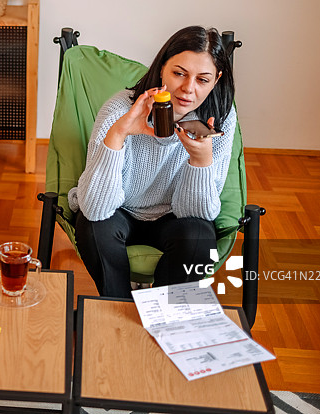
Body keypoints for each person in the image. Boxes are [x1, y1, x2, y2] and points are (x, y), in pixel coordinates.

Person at [68, 26, 236, 298]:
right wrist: (118, 135)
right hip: (119, 210)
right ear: (161, 68)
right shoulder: (120, 110)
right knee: (93, 228)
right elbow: (95, 207)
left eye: (202, 80)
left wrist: (200, 160)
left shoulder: (220, 121)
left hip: (174, 216)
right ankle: (117, 307)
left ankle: (159, 312)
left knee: (200, 238)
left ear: (216, 80)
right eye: (179, 73)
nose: (188, 89)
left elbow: (198, 215)